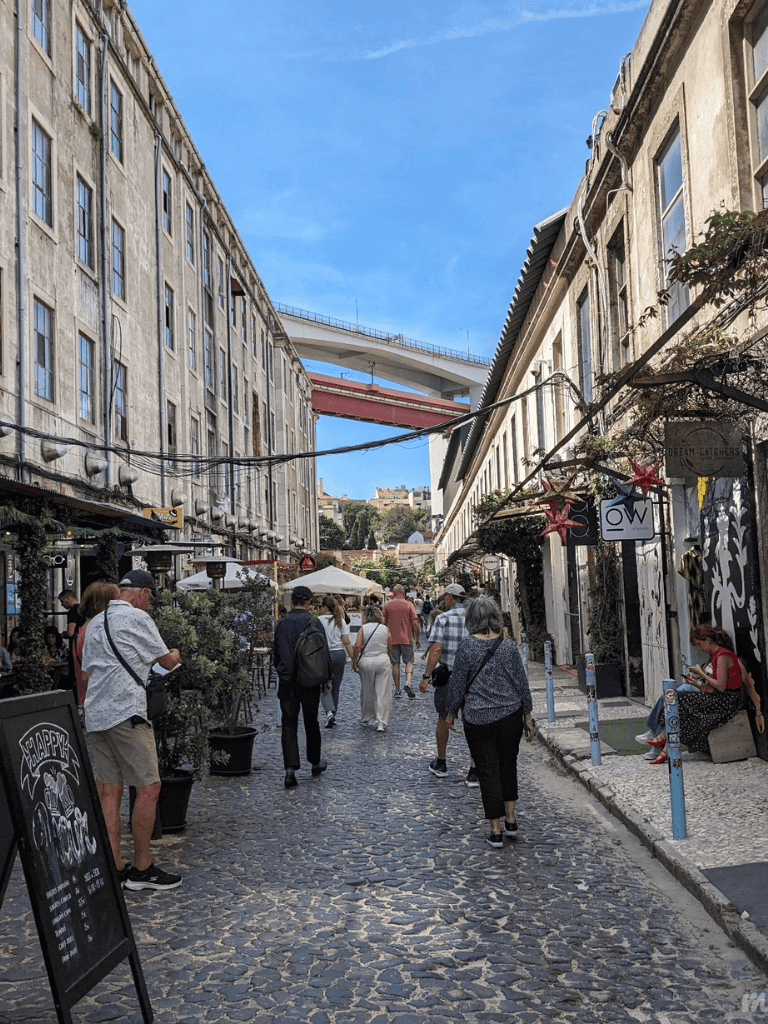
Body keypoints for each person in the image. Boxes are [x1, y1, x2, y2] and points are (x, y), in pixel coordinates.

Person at [81, 571, 182, 891]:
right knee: (149, 788)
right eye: (149, 596)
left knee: (110, 790)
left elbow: (86, 674)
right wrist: (177, 654)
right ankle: (142, 868)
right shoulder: (138, 618)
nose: (149, 602)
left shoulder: (94, 623)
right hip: (127, 714)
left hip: (96, 716)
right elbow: (167, 662)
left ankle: (113, 863)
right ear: (140, 593)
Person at [444, 595, 535, 847]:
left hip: (478, 719)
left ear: (471, 620)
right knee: (508, 765)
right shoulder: (507, 647)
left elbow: (457, 684)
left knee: (487, 771)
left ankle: (495, 830)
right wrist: (528, 715)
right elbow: (521, 683)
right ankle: (511, 818)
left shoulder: (467, 647)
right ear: (495, 617)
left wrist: (451, 713)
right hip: (509, 717)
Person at [647, 624, 759, 765]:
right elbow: (712, 688)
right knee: (677, 702)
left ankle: (663, 739)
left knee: (676, 699)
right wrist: (695, 683)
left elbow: (721, 687)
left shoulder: (722, 656)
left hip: (727, 701)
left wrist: (701, 674)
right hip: (720, 697)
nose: (700, 648)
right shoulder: (716, 656)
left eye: (700, 644)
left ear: (707, 640)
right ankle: (665, 748)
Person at [418, 582, 479, 786]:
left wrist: (426, 676)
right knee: (473, 721)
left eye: (445, 597)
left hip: (449, 676)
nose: (443, 600)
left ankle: (441, 762)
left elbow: (436, 648)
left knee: (443, 717)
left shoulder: (443, 619)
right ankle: (473, 771)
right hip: (473, 677)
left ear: (451, 599)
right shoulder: (476, 619)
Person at [272, 584, 330, 788]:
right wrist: (326, 678)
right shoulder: (314, 622)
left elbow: (275, 654)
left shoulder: (281, 623)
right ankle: (314, 762)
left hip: (287, 681)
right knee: (311, 721)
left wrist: (282, 670)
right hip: (310, 681)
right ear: (309, 602)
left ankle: (290, 769)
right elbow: (324, 653)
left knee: (288, 724)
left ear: (292, 601)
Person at [74, 581, 120, 705]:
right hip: (101, 704)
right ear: (102, 605)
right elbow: (88, 675)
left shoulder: (88, 628)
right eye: (116, 601)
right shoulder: (94, 631)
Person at [352, 604, 392, 732]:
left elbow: (357, 646)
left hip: (367, 661)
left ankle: (368, 717)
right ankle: (381, 722)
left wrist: (354, 661)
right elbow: (389, 646)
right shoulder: (385, 629)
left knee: (367, 690)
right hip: (382, 660)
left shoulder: (363, 628)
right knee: (383, 692)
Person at [317, 594, 353, 728]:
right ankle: (334, 714)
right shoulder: (341, 621)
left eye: (320, 606)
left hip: (324, 655)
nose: (319, 609)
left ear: (325, 607)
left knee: (324, 685)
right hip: (339, 655)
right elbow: (346, 642)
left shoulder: (318, 620)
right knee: (336, 687)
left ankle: (329, 713)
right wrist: (354, 659)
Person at [383, 583, 420, 699]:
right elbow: (415, 623)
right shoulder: (409, 605)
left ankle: (397, 690)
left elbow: (383, 622)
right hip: (407, 639)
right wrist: (417, 638)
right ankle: (408, 683)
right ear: (403, 593)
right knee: (409, 662)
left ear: (393, 593)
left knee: (395, 664)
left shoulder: (387, 605)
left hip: (392, 639)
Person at [59, 588, 84, 695]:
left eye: (62, 601)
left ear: (68, 598)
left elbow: (70, 632)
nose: (62, 605)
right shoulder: (83, 609)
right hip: (85, 646)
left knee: (73, 675)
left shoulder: (73, 611)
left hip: (76, 647)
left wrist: (64, 634)